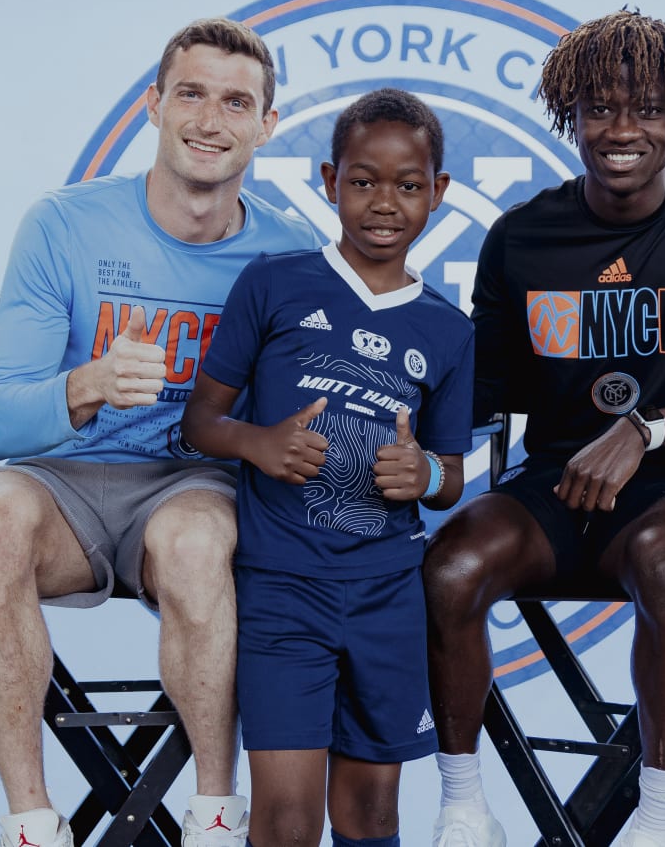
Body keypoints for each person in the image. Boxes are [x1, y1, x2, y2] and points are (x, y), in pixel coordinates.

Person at [423, 10, 665, 847]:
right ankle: (463, 807)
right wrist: (396, 399)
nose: (622, 129)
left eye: (647, 109)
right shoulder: (522, 237)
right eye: (600, 108)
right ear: (571, 116)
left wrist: (647, 427)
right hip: (553, 487)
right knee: (451, 564)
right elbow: (485, 393)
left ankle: (656, 823)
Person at [0, 17, 322, 847]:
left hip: (193, 485)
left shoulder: (289, 257)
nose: (208, 119)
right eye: (190, 93)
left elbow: (294, 424)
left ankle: (216, 812)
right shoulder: (63, 225)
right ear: (153, 106)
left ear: (266, 128)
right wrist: (85, 384)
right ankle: (31, 822)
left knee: (195, 541)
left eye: (236, 102)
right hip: (65, 485)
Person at [182, 88, 473, 847]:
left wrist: (425, 476)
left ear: (438, 193)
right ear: (328, 179)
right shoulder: (275, 286)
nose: (385, 202)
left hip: (386, 595)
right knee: (285, 818)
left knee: (373, 813)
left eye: (409, 185)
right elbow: (199, 419)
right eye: (363, 180)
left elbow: (452, 470)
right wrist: (259, 443)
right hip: (283, 588)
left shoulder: (448, 328)